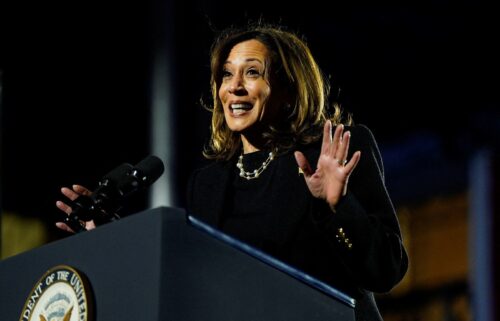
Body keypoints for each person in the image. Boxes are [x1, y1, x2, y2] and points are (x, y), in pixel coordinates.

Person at [56, 24, 408, 321]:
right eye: (227, 74)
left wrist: (338, 207)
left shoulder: (332, 155)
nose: (234, 87)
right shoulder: (208, 184)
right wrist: (115, 238)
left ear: (288, 90)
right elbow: (190, 282)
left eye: (252, 72)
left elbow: (387, 270)